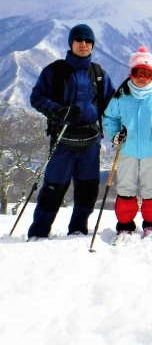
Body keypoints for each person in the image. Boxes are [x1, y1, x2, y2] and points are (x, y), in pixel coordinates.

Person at [28, 24, 115, 240]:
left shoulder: (98, 73)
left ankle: (78, 229)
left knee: (87, 189)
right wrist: (59, 110)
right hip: (62, 139)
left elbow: (112, 103)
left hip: (91, 141)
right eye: (79, 40)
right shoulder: (54, 71)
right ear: (71, 43)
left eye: (87, 41)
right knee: (53, 188)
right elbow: (37, 98)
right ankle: (39, 232)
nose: (83, 44)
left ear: (92, 44)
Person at [103, 47, 152, 240]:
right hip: (127, 151)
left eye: (147, 73)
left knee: (151, 189)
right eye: (137, 72)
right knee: (125, 189)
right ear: (130, 74)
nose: (141, 77)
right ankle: (125, 226)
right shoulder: (120, 96)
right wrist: (115, 135)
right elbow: (109, 118)